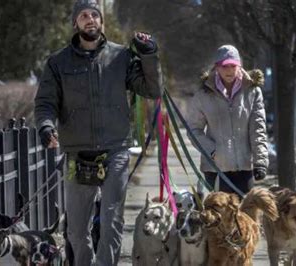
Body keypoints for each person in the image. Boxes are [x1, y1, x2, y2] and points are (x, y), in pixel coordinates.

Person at [34, 0, 163, 265]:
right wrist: (46, 127)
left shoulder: (121, 57)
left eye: (95, 14)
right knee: (76, 229)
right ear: (75, 23)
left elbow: (152, 89)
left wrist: (149, 55)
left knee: (111, 219)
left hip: (114, 150)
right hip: (76, 155)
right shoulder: (58, 63)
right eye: (83, 15)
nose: (90, 19)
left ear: (102, 21)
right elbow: (45, 102)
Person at [187, 44, 268, 197]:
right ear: (216, 67)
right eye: (224, 66)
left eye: (233, 65)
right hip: (215, 169)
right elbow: (194, 129)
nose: (229, 70)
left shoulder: (252, 91)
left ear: (239, 66)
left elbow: (258, 129)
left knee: (245, 217)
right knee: (219, 218)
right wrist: (212, 151)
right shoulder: (203, 94)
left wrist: (260, 161)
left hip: (244, 168)